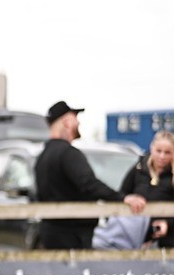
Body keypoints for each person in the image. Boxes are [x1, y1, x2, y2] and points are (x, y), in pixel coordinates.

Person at [34, 101, 146, 248]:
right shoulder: (68, 153)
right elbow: (88, 183)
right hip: (73, 235)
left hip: (50, 231)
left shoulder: (42, 156)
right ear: (67, 122)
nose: (79, 122)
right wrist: (122, 198)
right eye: (75, 118)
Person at [108, 130, 173, 247]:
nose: (162, 156)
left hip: (167, 240)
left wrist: (168, 224)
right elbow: (122, 193)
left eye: (167, 152)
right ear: (152, 148)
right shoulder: (139, 168)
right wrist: (129, 199)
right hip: (135, 236)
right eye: (158, 151)